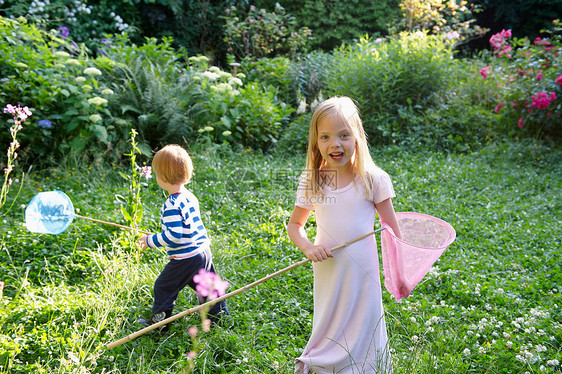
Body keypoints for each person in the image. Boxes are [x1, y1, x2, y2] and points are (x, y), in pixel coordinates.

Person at [287, 96, 402, 373]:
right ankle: (326, 361)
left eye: (344, 135)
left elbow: (392, 232)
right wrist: (307, 247)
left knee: (365, 316)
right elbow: (294, 226)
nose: (334, 144)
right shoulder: (313, 180)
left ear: (357, 137)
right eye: (325, 137)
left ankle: (366, 366)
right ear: (316, 141)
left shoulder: (373, 179)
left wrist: (400, 275)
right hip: (328, 265)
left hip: (363, 268)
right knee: (331, 317)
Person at [137, 144, 228, 332]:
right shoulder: (189, 196)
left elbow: (174, 236)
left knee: (164, 285)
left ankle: (159, 323)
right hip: (202, 250)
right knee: (207, 285)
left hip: (185, 257)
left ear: (162, 178)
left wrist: (150, 240)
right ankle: (219, 317)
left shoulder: (171, 204)